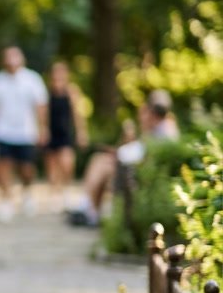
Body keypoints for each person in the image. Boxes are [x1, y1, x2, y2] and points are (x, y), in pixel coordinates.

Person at [67, 89, 179, 227]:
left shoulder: (166, 130)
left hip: (140, 173)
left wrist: (144, 127)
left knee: (103, 165)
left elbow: (147, 154)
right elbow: (141, 149)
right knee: (99, 160)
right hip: (135, 167)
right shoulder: (158, 126)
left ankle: (88, 210)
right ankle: (89, 208)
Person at [0, 46, 48, 221]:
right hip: (2, 131)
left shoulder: (32, 79)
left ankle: (27, 193)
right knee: (3, 166)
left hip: (26, 132)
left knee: (27, 168)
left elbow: (40, 106)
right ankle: (6, 200)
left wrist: (43, 128)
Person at [42, 62, 88, 200]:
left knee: (67, 164)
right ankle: (55, 193)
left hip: (65, 132)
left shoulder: (71, 92)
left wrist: (81, 132)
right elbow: (43, 114)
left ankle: (66, 189)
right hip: (51, 132)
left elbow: (77, 115)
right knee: (52, 166)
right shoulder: (47, 93)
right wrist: (42, 129)